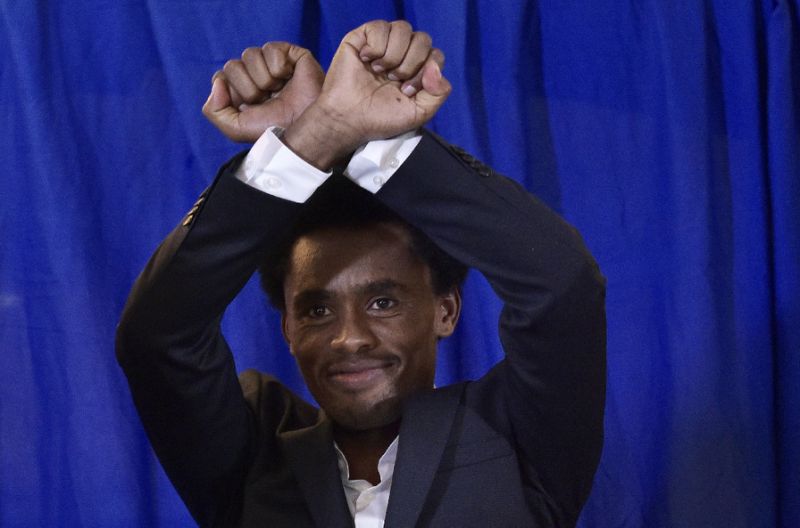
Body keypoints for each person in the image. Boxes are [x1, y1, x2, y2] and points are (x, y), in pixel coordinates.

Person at [116, 20, 606, 528]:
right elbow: (158, 337)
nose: (348, 338)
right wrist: (313, 137)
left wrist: (366, 137)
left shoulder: (516, 435)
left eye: (383, 302)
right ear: (286, 328)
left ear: (446, 309)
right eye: (317, 309)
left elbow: (561, 285)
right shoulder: (252, 454)